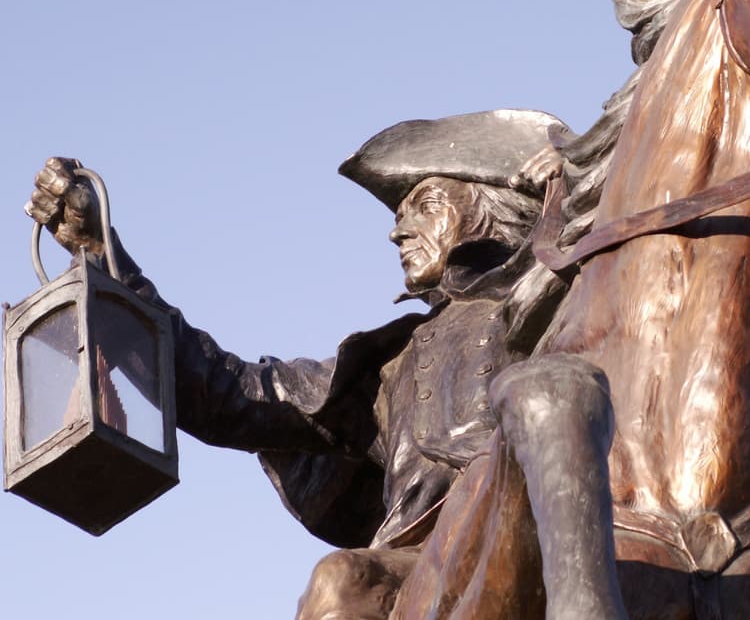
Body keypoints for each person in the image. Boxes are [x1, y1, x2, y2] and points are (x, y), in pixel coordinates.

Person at [26, 108, 568, 619]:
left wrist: (575, 192)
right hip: (428, 559)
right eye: (399, 215)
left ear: (498, 205)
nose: (397, 231)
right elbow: (229, 393)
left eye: (425, 205)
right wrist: (101, 251)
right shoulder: (390, 365)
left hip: (553, 530)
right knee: (343, 584)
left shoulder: (565, 297)